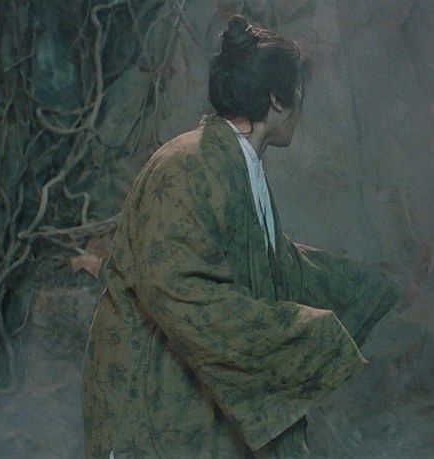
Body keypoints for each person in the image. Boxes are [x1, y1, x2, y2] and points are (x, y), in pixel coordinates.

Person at [82, 15, 398, 458]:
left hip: (188, 391)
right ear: (277, 100)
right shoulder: (186, 164)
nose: (301, 108)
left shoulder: (236, 161)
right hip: (149, 397)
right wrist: (305, 332)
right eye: (298, 94)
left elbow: (277, 262)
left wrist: (368, 287)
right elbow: (181, 291)